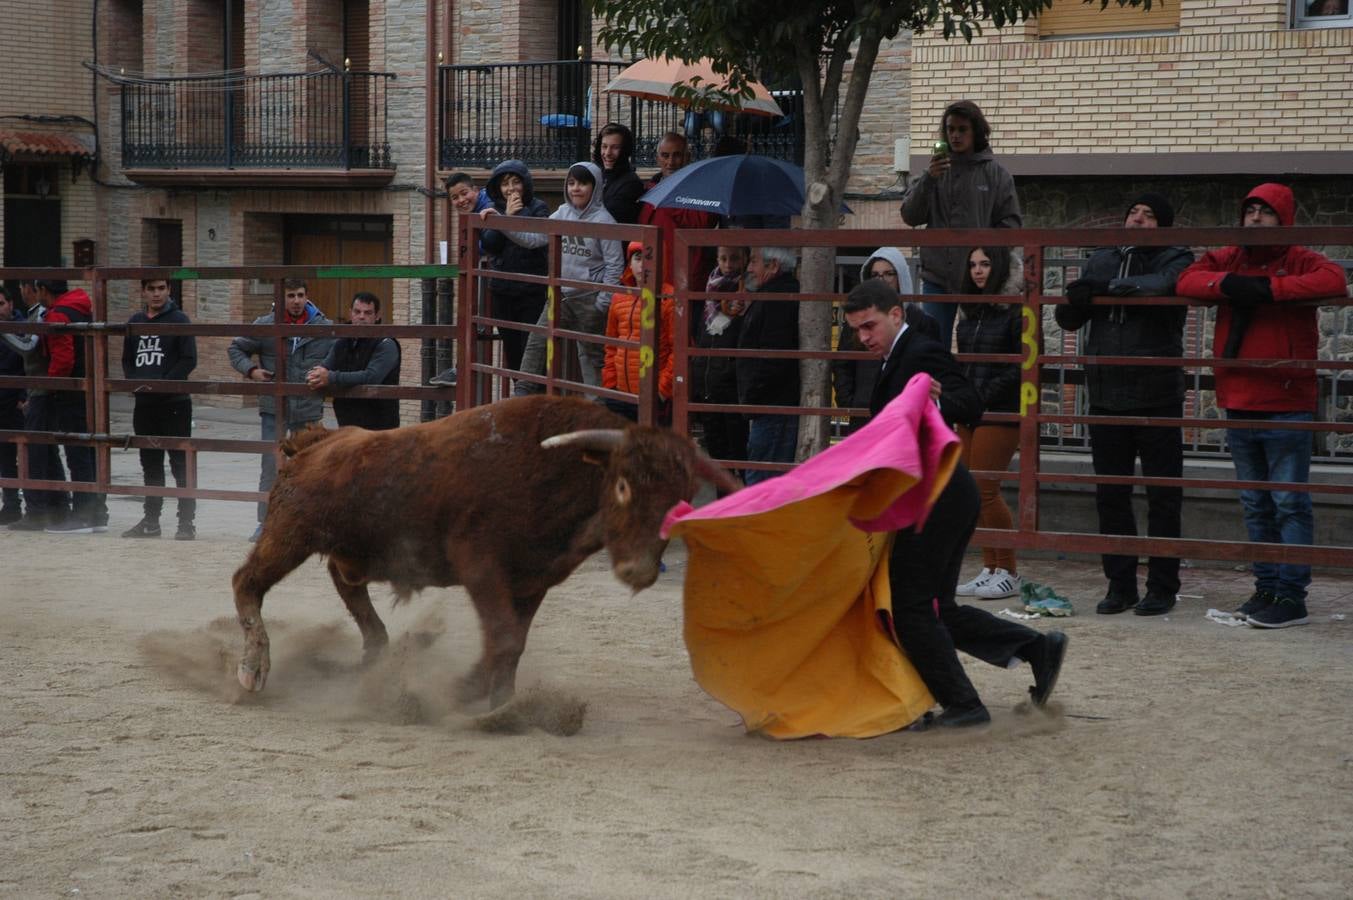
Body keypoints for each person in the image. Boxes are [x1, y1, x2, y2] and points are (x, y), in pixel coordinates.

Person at [842, 278, 1066, 729]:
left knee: (910, 606)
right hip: (941, 494)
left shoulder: (920, 352)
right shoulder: (893, 358)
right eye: (857, 330)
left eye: (869, 326)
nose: (864, 337)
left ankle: (964, 704)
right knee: (936, 607)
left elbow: (970, 402)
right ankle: (1034, 648)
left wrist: (941, 402)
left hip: (936, 497)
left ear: (896, 315)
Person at [1177, 183, 1347, 629]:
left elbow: (1333, 279)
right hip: (1238, 398)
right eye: (1249, 210)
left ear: (1283, 219)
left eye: (1265, 212)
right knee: (1255, 502)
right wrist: (1229, 284)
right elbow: (1188, 279)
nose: (1254, 218)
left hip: (1286, 398)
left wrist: (1269, 289)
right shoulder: (1229, 257)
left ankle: (1291, 596)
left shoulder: (1301, 258)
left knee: (1289, 502)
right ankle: (1267, 587)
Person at [1055, 194, 1195, 616]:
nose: (1138, 218)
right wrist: (1077, 300)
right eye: (1133, 211)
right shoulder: (1100, 259)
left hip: (1158, 396)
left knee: (1163, 496)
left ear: (1163, 225)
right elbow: (1068, 318)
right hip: (1106, 396)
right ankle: (1120, 584)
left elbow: (1168, 286)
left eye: (1149, 214)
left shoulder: (1177, 257)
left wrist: (1106, 289)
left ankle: (1163, 586)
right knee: (1111, 496)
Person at [900, 99, 1022, 351]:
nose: (955, 135)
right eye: (950, 129)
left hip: (979, 279)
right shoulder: (933, 172)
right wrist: (928, 180)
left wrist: (987, 259)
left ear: (976, 131)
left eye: (962, 129)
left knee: (978, 349)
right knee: (933, 348)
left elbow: (1011, 226)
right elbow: (910, 216)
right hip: (937, 276)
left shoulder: (996, 174)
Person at [494, 162, 625, 395]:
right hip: (560, 296)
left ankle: (596, 406)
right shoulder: (562, 213)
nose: (576, 188)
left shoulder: (605, 221)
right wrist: (502, 221)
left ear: (595, 188)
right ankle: (522, 393)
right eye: (572, 183)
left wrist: (602, 303)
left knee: (591, 357)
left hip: (589, 300)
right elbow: (533, 238)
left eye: (583, 183)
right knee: (537, 341)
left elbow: (614, 265)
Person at [228, 278, 333, 540]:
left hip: (308, 409)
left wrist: (329, 374)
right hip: (274, 408)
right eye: (290, 296)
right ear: (281, 298)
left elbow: (337, 358)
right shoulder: (265, 325)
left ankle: (309, 526)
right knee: (270, 465)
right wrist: (251, 371)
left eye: (300, 295)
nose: (296, 301)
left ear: (307, 295)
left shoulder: (324, 327)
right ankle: (266, 523)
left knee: (310, 468)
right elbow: (236, 348)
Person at [952, 247, 1026, 601]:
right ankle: (990, 567)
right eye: (973, 264)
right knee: (969, 491)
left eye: (985, 263)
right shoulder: (970, 311)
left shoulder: (1015, 310)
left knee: (985, 489)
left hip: (1000, 412)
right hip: (971, 410)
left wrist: (982, 394)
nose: (978, 270)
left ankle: (1008, 570)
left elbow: (1019, 366)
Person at [120, 279, 198, 540]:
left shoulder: (180, 320)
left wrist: (164, 385)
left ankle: (186, 522)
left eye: (161, 288)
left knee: (180, 464)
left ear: (168, 290)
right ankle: (151, 521)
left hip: (174, 403)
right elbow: (127, 360)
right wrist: (136, 384)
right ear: (143, 291)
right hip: (144, 405)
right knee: (150, 464)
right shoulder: (135, 321)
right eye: (151, 289)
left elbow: (189, 359)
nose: (156, 294)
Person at [832, 248, 939, 435]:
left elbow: (930, 369)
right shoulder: (857, 321)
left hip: (904, 415)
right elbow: (843, 362)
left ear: (901, 277)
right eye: (875, 275)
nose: (882, 280)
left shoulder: (921, 322)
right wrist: (849, 400)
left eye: (889, 274)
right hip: (863, 414)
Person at [38, 279, 108, 534]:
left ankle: (82, 514)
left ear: (42, 290)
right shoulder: (81, 308)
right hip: (91, 387)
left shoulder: (58, 314)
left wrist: (51, 386)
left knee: (77, 451)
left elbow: (63, 358)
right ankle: (97, 512)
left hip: (72, 391)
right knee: (89, 450)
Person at [3, 281, 68, 531]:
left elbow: (28, 350)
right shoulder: (35, 313)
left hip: (38, 392)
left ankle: (43, 509)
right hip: (35, 391)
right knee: (39, 450)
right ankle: (52, 507)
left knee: (38, 451)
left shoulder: (40, 314)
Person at [478, 160, 552, 378]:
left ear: (525, 184)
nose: (510, 189)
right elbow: (490, 244)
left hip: (532, 292)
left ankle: (533, 398)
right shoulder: (493, 209)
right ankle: (520, 397)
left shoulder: (539, 207)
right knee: (512, 353)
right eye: (504, 184)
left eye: (515, 182)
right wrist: (505, 218)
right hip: (503, 291)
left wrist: (514, 217)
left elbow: (536, 240)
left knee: (532, 352)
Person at [736, 247, 801, 485]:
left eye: (754, 262)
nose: (749, 268)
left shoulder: (778, 299)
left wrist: (753, 394)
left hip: (772, 407)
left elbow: (773, 357)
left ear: (773, 266)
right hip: (770, 406)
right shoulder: (772, 295)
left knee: (763, 479)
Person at [691, 245, 749, 474]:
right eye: (723, 258)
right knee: (716, 456)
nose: (728, 265)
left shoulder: (748, 293)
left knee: (739, 452)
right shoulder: (708, 295)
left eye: (734, 258)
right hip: (708, 385)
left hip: (733, 389)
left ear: (744, 259)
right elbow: (699, 338)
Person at [602, 242, 675, 423]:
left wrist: (661, 391)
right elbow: (612, 344)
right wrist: (610, 384)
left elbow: (678, 350)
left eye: (649, 259)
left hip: (652, 396)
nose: (643, 265)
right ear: (630, 263)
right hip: (619, 394)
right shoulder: (619, 297)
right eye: (638, 258)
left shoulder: (669, 298)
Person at [307, 292, 402, 431]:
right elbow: (325, 366)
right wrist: (314, 375)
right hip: (347, 424)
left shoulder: (386, 343)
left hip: (379, 427)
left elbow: (371, 377)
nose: (362, 316)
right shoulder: (342, 342)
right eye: (357, 312)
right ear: (351, 313)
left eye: (368, 313)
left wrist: (331, 377)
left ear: (377, 316)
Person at [638, 132, 718, 292]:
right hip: (653, 273)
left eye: (677, 155)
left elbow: (703, 223)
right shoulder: (652, 187)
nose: (670, 162)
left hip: (684, 277)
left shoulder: (700, 187)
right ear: (657, 158)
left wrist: (670, 198)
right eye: (665, 155)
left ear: (687, 157)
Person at [0, 288, 26, 524]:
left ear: (10, 304)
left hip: (16, 403)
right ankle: (11, 505)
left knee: (28, 453)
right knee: (5, 458)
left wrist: (23, 395)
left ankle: (37, 503)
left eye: (0, 304)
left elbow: (28, 364)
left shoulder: (23, 329)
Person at [593, 122, 645, 225]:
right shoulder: (595, 176)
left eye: (615, 147)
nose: (607, 153)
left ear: (625, 150)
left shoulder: (631, 184)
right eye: (604, 146)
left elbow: (609, 219)